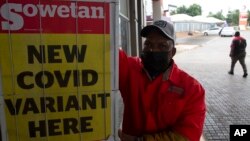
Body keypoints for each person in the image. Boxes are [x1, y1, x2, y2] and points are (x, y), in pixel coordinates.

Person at [118, 20, 206, 141]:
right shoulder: (129, 69)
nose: (153, 50)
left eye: (162, 46)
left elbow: (187, 136)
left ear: (173, 52)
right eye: (148, 44)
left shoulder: (192, 89)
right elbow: (107, 52)